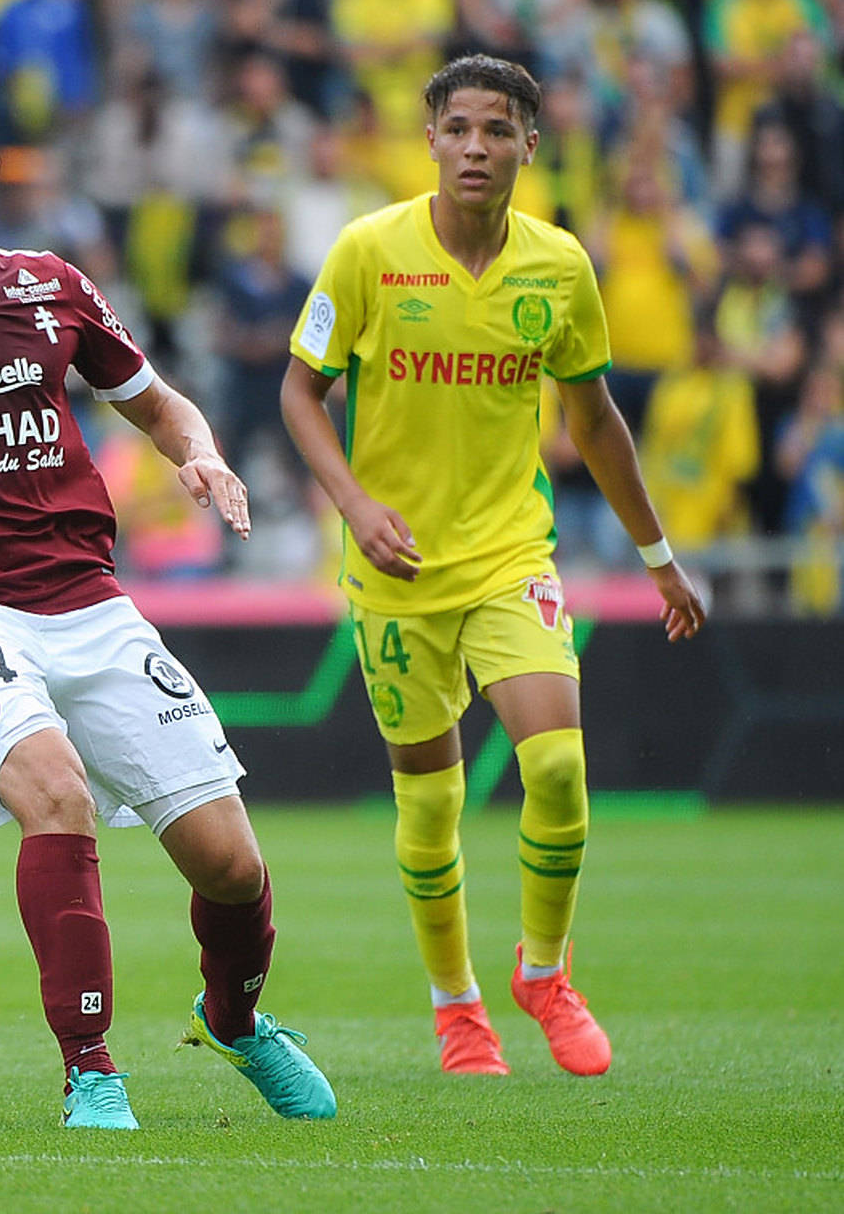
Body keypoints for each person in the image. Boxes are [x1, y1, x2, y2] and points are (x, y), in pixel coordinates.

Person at [0, 89, 337, 1129]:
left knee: (227, 861)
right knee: (56, 790)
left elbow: (156, 400)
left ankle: (233, 1019)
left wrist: (199, 451)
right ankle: (90, 1065)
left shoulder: (53, 289)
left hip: (88, 600)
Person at [278, 55, 707, 1079]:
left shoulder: (557, 266)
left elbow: (593, 419)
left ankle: (543, 971)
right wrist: (354, 503)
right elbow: (299, 392)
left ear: (528, 144)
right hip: (394, 570)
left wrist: (656, 557)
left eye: (495, 129)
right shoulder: (366, 252)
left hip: (510, 550)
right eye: (457, 128)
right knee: (429, 802)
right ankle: (454, 1006)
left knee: (554, 763)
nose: (475, 146)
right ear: (429, 139)